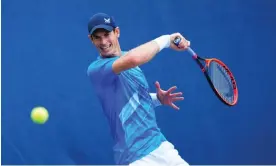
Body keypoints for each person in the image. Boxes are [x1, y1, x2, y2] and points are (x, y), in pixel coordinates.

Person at [87, 12, 190, 166]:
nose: (103, 41)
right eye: (97, 37)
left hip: (160, 145)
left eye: (107, 34)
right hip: (134, 157)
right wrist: (167, 40)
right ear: (91, 40)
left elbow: (126, 101)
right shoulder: (97, 69)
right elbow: (134, 59)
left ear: (117, 32)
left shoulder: (127, 59)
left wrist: (157, 99)